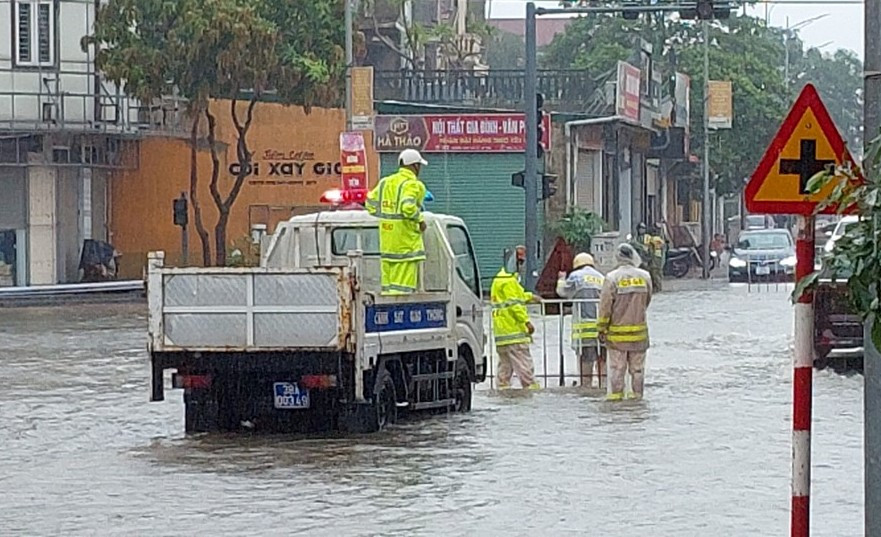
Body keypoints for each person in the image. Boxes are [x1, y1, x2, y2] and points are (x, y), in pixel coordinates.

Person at [366, 148, 428, 295]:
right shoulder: (413, 184)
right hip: (405, 245)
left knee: (388, 290)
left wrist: (386, 216)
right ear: (415, 166)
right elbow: (407, 207)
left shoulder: (385, 183)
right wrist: (420, 220)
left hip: (387, 244)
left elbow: (370, 203)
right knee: (403, 291)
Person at [598, 243, 653, 401]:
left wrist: (601, 328)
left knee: (617, 368)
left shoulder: (612, 278)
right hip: (639, 334)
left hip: (617, 335)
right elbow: (647, 300)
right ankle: (637, 399)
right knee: (638, 370)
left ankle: (616, 401)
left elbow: (605, 306)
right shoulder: (645, 276)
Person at [491, 245, 541, 390]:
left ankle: (503, 392)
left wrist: (530, 297)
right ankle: (532, 390)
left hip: (501, 332)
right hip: (513, 330)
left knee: (505, 366)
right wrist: (526, 322)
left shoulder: (500, 279)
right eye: (521, 262)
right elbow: (515, 305)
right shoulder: (509, 281)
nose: (522, 266)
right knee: (523, 363)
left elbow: (512, 298)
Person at [556, 252, 606, 389]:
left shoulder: (576, 276)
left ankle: (586, 387)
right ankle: (604, 386)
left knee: (586, 360)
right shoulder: (601, 277)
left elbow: (563, 292)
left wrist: (561, 279)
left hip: (584, 328)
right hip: (603, 327)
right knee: (603, 358)